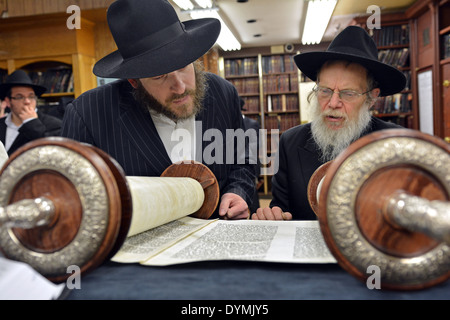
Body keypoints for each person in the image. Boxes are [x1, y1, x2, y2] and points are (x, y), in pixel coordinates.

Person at [61, 0, 255, 220]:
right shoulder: (88, 114)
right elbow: (75, 198)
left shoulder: (223, 93)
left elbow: (243, 160)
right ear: (134, 81)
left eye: (183, 66)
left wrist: (237, 191)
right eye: (159, 76)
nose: (180, 87)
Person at [252, 26, 406, 221]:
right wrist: (272, 216)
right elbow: (281, 210)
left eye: (348, 93)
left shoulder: (396, 143)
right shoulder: (290, 143)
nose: (333, 103)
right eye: (325, 90)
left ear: (372, 98)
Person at [0, 70, 62, 156]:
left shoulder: (54, 124)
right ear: (8, 101)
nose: (27, 101)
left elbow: (53, 152)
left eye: (31, 96)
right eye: (19, 97)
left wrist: (32, 123)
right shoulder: (1, 124)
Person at [240, 98, 261, 214]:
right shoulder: (227, 123)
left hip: (250, 164)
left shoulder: (252, 124)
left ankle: (255, 218)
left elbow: (255, 145)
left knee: (252, 194)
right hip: (231, 164)